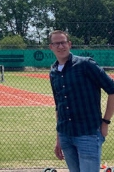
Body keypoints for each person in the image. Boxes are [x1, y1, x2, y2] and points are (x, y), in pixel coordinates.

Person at [49, 30, 114, 172]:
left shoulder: (86, 65)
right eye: (56, 43)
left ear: (69, 44)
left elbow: (112, 90)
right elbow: (58, 106)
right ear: (51, 47)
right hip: (65, 135)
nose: (60, 46)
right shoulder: (53, 71)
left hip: (88, 133)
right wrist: (59, 138)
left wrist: (106, 122)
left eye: (63, 42)